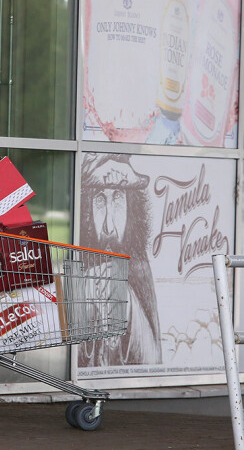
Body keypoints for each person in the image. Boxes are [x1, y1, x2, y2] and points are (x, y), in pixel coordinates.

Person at [78, 153, 162, 366]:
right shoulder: (76, 263)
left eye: (117, 198)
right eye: (99, 199)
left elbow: (152, 359)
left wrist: (126, 302)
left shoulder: (139, 267)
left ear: (132, 208)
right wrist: (87, 297)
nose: (109, 226)